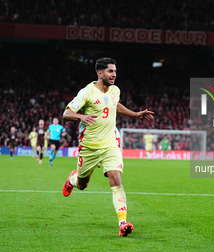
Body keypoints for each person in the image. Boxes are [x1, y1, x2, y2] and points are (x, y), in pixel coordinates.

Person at [62, 57, 154, 237]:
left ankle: (122, 223)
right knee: (82, 184)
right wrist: (80, 117)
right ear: (100, 73)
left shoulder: (115, 90)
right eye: (110, 71)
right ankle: (72, 179)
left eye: (115, 71)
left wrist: (135, 115)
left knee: (116, 179)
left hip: (110, 143)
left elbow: (114, 105)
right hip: (89, 147)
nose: (114, 75)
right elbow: (66, 113)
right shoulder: (86, 92)